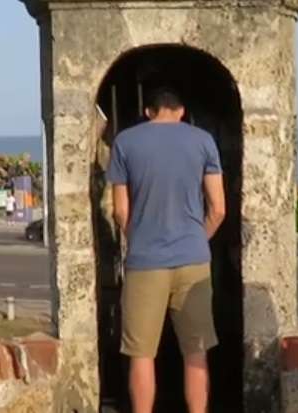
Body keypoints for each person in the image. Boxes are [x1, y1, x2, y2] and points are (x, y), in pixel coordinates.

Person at [107, 87, 225, 413]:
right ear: (182, 110)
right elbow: (218, 209)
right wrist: (198, 239)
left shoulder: (125, 142)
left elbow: (120, 210)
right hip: (193, 258)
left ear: (148, 111)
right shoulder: (203, 141)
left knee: (142, 354)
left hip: (145, 261)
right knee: (196, 351)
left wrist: (138, 237)